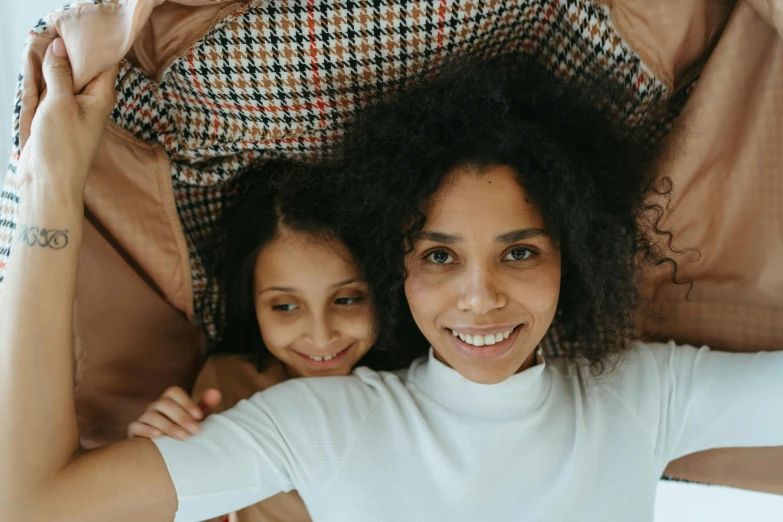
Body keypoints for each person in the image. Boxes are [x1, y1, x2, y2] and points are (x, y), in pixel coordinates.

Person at [1, 41, 781, 522]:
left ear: (571, 256)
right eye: (438, 256)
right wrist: (49, 190)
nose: (478, 297)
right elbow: (31, 505)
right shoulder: (322, 424)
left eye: (518, 252)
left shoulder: (644, 395)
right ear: (395, 270)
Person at [126, 160, 384, 522]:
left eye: (347, 299)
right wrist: (154, 465)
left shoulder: (424, 385)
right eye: (285, 306)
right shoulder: (228, 385)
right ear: (253, 304)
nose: (322, 335)